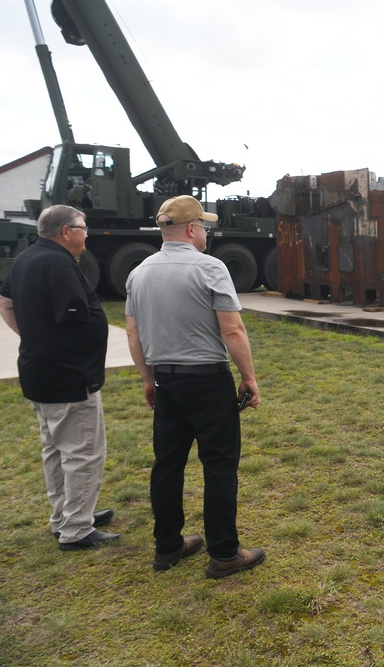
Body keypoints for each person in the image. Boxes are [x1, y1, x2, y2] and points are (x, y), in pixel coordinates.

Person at [125, 195, 265, 578]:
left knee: (167, 464)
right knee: (219, 465)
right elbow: (232, 329)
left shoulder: (138, 273)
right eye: (204, 226)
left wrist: (147, 379)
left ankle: (168, 546)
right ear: (191, 229)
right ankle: (224, 553)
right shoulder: (210, 268)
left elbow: (133, 333)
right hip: (206, 380)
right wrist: (249, 377)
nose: (205, 232)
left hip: (166, 380)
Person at [0, 205, 119, 550]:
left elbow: (5, 301)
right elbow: (74, 319)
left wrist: (32, 337)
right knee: (83, 452)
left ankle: (66, 516)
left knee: (55, 450)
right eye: (83, 228)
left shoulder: (26, 258)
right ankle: (77, 530)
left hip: (39, 372)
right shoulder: (58, 263)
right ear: (66, 232)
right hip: (69, 377)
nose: (86, 234)